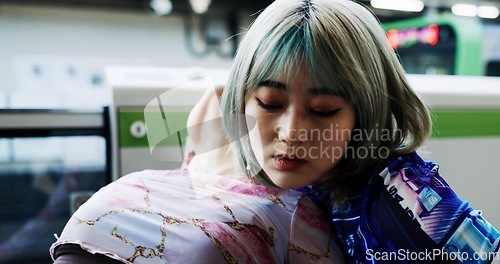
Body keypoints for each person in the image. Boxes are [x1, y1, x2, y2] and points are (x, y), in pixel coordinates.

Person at [198, 0, 500, 263]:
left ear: (366, 112)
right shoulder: (299, 172)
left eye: (323, 110)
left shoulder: (404, 200)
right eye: (270, 103)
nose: (291, 133)